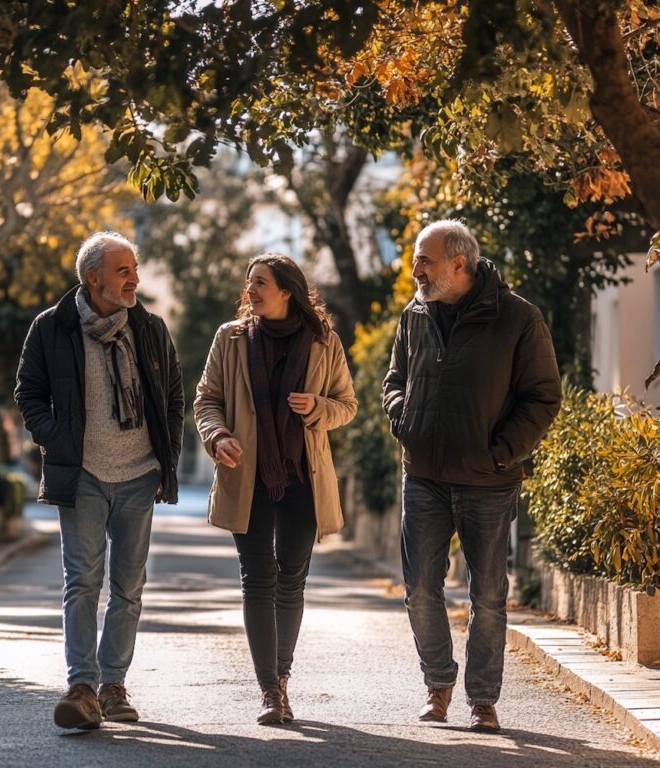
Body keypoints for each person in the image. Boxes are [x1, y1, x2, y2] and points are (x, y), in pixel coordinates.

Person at [382, 220, 561, 732]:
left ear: (459, 263)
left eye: (425, 260)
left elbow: (543, 396)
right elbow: (394, 380)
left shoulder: (518, 317)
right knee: (420, 587)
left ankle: (482, 699)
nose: (415, 270)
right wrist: (403, 420)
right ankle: (437, 684)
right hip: (424, 475)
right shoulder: (415, 314)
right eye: (416, 260)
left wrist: (503, 453)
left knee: (487, 594)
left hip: (489, 481)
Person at [14, 231, 183, 730]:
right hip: (82, 475)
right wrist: (59, 442)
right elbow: (29, 394)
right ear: (93, 278)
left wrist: (164, 458)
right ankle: (82, 687)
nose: (134, 279)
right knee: (83, 582)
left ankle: (113, 686)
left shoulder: (149, 328)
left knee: (128, 587)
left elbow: (174, 396)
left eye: (135, 269)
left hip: (139, 475)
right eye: (123, 271)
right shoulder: (51, 327)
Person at [194, 253, 357, 725]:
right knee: (257, 578)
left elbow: (347, 405)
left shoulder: (324, 341)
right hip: (247, 475)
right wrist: (217, 435)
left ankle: (281, 677)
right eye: (249, 282)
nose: (250, 290)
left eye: (260, 282)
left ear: (287, 291)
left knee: (292, 577)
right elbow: (207, 399)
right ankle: (269, 689)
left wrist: (318, 407)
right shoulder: (230, 338)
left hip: (304, 477)